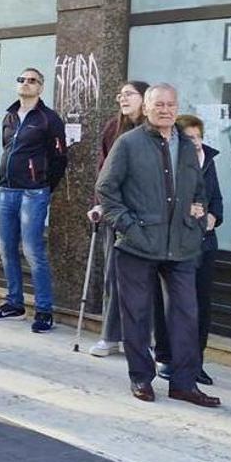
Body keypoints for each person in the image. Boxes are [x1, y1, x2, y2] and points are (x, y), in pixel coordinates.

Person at [96, 84, 219, 408]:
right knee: (136, 315)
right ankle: (141, 378)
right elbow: (106, 189)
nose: (165, 110)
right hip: (138, 244)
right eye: (158, 104)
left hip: (180, 245)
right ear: (147, 108)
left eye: (170, 104)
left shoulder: (188, 146)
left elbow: (199, 189)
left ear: (177, 107)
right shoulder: (129, 143)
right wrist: (128, 226)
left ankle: (183, 383)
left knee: (186, 315)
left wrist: (196, 213)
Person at [0, 68, 67, 333]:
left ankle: (44, 310)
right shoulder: (9, 116)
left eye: (32, 80)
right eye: (21, 79)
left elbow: (59, 159)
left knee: (32, 250)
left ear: (41, 88)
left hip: (34, 192)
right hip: (7, 190)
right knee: (6, 248)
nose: (26, 83)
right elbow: (6, 148)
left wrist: (42, 185)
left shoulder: (49, 119)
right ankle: (14, 303)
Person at [154, 114, 223, 387]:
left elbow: (217, 198)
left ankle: (196, 362)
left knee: (201, 304)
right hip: (175, 243)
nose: (196, 143)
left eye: (199, 137)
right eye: (189, 138)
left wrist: (213, 217)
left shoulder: (208, 160)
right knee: (173, 303)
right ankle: (166, 357)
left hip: (204, 243)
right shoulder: (169, 162)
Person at [86, 81, 149, 357]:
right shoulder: (114, 128)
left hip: (147, 214)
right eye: (120, 95)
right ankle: (111, 335)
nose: (123, 99)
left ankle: (141, 337)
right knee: (114, 274)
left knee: (146, 278)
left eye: (129, 94)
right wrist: (98, 205)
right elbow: (103, 171)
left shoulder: (154, 130)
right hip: (116, 212)